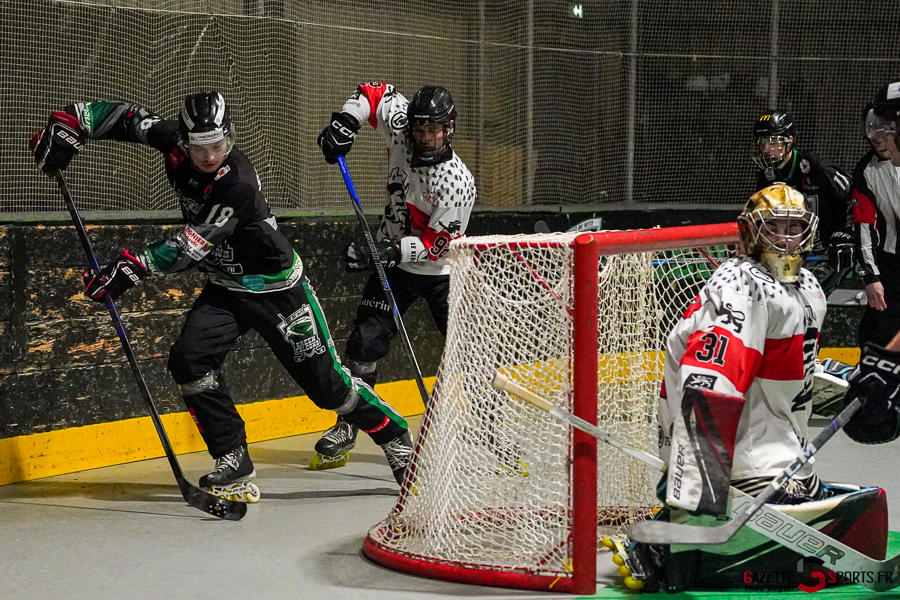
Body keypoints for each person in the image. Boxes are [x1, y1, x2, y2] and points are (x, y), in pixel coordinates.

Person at [30, 92, 413, 500]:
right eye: (199, 148)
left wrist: (134, 267)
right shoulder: (175, 141)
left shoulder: (239, 183)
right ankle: (232, 456)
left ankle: (396, 436)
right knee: (189, 360)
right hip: (226, 288)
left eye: (218, 145)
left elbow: (197, 242)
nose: (210, 155)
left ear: (229, 136)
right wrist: (71, 122)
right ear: (184, 140)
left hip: (276, 289)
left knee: (329, 389)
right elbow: (126, 117)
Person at [628, 183, 835, 591]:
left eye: (795, 227)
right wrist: (700, 475)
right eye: (773, 227)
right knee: (786, 507)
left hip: (779, 445)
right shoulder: (743, 287)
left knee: (804, 493)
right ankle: (669, 540)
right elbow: (711, 374)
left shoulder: (808, 285)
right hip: (738, 449)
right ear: (748, 232)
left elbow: (794, 367)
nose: (786, 238)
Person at [311, 82, 476, 470]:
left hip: (442, 271)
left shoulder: (457, 181)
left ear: (449, 128)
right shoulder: (404, 129)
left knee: (468, 349)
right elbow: (373, 92)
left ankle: (490, 431)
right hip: (395, 261)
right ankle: (349, 424)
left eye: (433, 129)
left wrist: (385, 251)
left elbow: (439, 244)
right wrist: (345, 123)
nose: (424, 136)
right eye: (419, 129)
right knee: (365, 343)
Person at [751, 110, 854, 296]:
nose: (766, 149)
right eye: (762, 143)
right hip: (795, 253)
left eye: (773, 142)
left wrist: (846, 235)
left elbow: (855, 197)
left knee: (806, 301)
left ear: (789, 141)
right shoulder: (766, 177)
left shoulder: (816, 168)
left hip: (826, 252)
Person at [850, 81, 900, 349]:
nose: (879, 138)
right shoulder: (867, 171)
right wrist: (871, 276)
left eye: (888, 128)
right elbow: (864, 226)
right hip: (891, 266)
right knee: (876, 333)